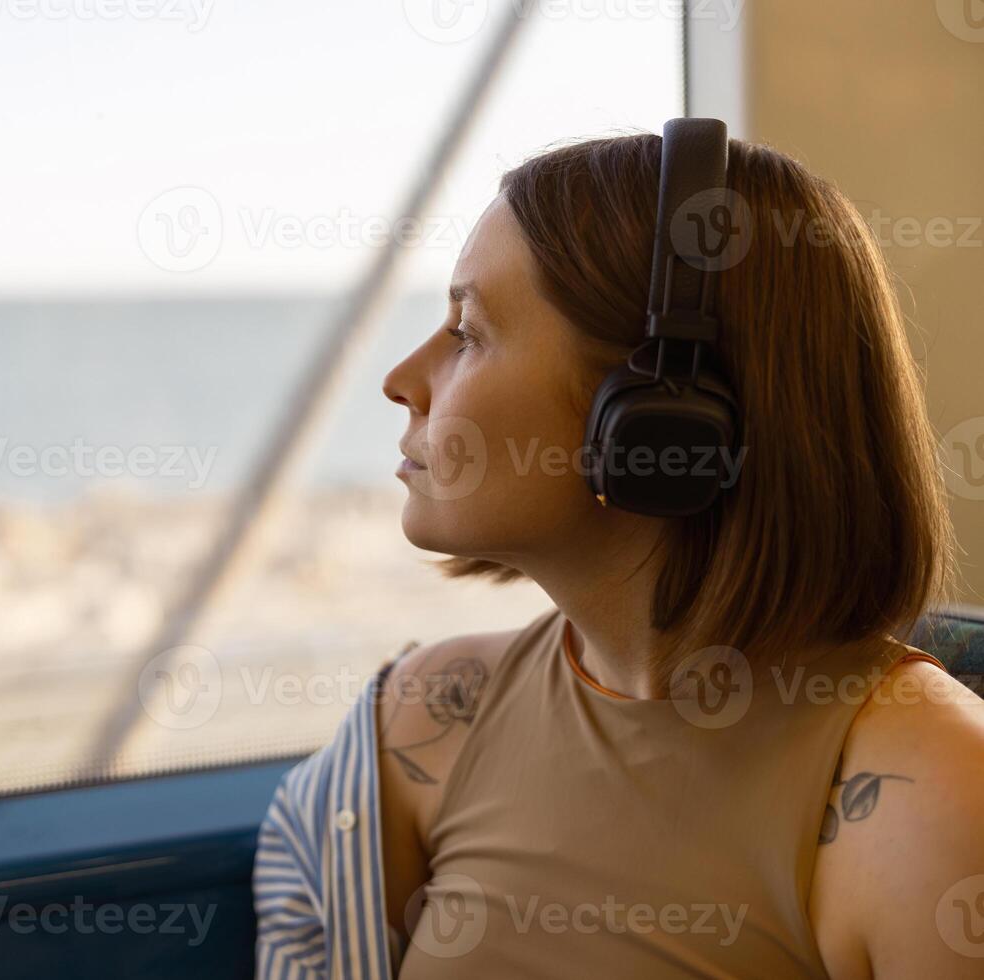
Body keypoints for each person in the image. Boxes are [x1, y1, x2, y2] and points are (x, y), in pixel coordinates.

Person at [252, 126, 984, 979]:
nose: (400, 379)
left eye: (469, 332)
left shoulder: (932, 797)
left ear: (657, 420)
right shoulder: (423, 720)